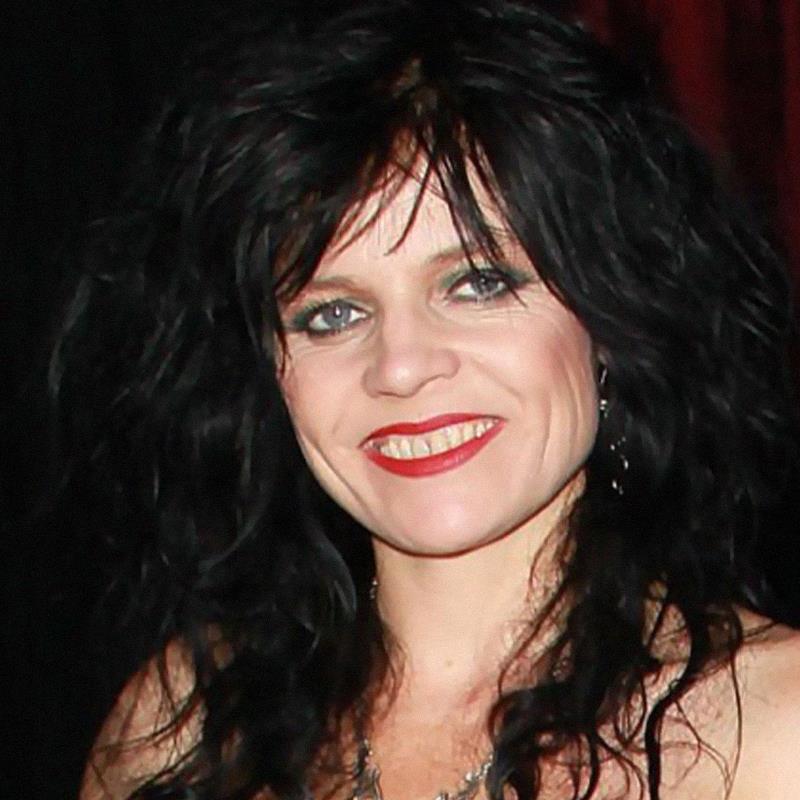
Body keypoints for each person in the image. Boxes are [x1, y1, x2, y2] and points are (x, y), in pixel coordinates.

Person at [52, 1, 800, 798]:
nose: (401, 367)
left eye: (477, 284)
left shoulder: (774, 727)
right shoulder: (180, 725)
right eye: (333, 314)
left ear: (611, 319)